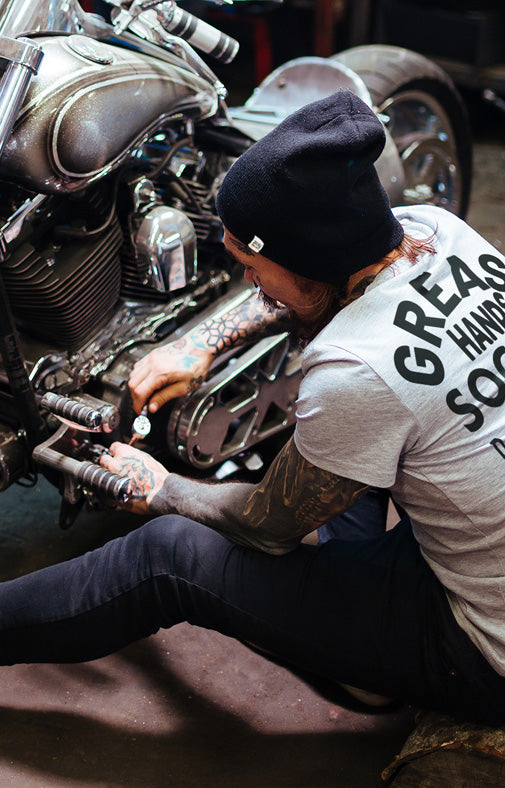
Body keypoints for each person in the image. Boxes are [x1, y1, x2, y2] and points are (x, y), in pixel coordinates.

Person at [2, 89, 505, 725]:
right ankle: (361, 646)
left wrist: (161, 489)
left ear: (305, 264)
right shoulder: (436, 233)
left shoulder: (355, 374)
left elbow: (268, 526)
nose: (247, 283)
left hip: (483, 649)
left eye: (251, 264)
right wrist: (201, 342)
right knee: (356, 436)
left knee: (165, 555)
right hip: (490, 546)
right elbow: (313, 292)